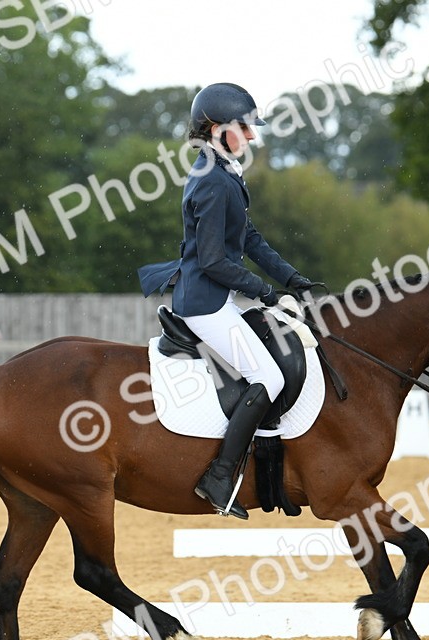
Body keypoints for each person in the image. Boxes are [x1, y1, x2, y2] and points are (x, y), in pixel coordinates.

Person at [138, 83, 320, 519]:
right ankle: (219, 478)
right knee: (270, 379)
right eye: (245, 128)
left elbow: (249, 240)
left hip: (215, 297)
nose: (253, 136)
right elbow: (216, 260)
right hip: (205, 303)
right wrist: (268, 294)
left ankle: (264, 470)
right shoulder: (213, 182)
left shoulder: (223, 172)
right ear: (218, 129)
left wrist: (295, 279)